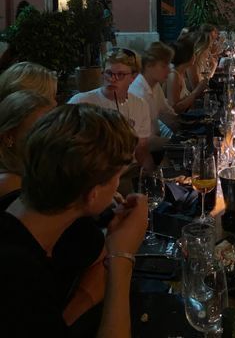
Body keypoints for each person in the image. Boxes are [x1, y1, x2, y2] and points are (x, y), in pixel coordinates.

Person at [0, 103, 147, 338]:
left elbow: (96, 261)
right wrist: (122, 257)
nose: (118, 187)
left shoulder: (56, 216)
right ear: (93, 194)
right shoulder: (15, 278)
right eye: (116, 177)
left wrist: (67, 316)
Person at [69, 48, 154, 172]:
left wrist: (155, 175)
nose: (112, 79)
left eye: (120, 75)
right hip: (96, 174)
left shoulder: (140, 105)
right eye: (109, 73)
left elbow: (141, 150)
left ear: (133, 77)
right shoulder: (81, 102)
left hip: (130, 171)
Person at [0, 90, 54, 208]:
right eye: (41, 130)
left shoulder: (31, 170)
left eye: (53, 128)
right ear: (9, 136)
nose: (51, 137)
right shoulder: (9, 184)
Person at [129, 41, 178, 138]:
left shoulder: (155, 86)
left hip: (157, 140)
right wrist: (177, 144)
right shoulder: (138, 94)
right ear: (148, 65)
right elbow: (144, 143)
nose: (169, 70)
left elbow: (167, 114)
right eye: (164, 66)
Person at [165, 38, 208, 113]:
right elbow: (175, 109)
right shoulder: (173, 75)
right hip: (176, 122)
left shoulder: (181, 73)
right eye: (193, 53)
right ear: (187, 56)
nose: (195, 55)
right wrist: (197, 91)